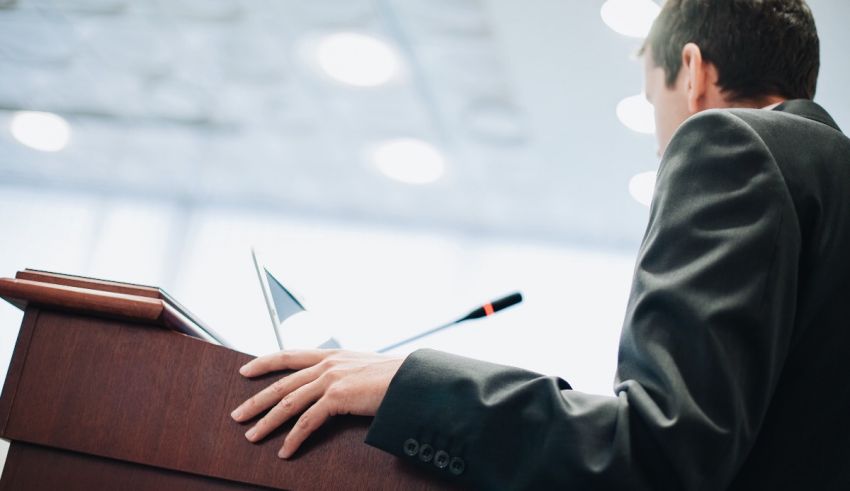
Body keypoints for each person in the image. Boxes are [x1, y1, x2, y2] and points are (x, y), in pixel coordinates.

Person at [229, 0, 850, 488]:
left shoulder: (727, 143)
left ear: (692, 73)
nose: (661, 144)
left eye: (652, 102)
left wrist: (411, 387)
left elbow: (661, 454)